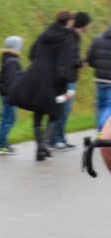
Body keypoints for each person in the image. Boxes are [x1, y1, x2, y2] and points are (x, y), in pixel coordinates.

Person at [9, 11, 78, 161]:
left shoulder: (45, 33)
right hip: (53, 79)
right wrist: (65, 80)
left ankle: (40, 146)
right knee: (54, 113)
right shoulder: (67, 38)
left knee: (38, 112)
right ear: (68, 23)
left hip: (36, 74)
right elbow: (64, 62)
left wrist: (40, 63)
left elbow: (31, 52)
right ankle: (43, 146)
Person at [49, 11, 91, 151]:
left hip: (69, 77)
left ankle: (60, 138)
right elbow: (69, 60)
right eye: (86, 25)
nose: (87, 28)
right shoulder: (71, 38)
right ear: (82, 25)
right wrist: (82, 63)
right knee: (62, 109)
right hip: (66, 79)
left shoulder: (74, 37)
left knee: (65, 110)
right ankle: (55, 140)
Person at [0, 36, 24, 155]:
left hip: (4, 92)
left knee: (5, 118)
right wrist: (15, 95)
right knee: (10, 119)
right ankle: (2, 144)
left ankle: (1, 143)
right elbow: (12, 80)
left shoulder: (7, 58)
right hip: (9, 94)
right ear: (15, 47)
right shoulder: (13, 61)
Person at [86, 22, 111, 136]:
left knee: (100, 106)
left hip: (99, 79)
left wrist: (98, 68)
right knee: (108, 107)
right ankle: (102, 132)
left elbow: (90, 58)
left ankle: (99, 133)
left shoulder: (98, 39)